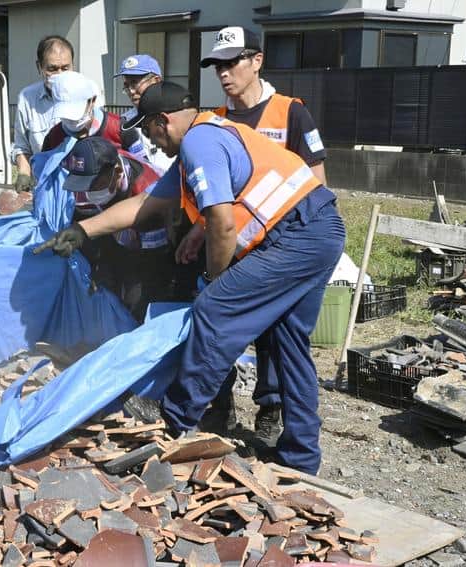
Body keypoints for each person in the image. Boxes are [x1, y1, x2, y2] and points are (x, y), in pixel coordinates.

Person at [36, 82, 345, 475]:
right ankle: (301, 458)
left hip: (297, 235)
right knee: (287, 342)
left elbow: (222, 224)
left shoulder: (200, 143)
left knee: (215, 308)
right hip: (319, 228)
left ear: (164, 121)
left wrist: (216, 281)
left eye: (150, 132)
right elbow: (146, 205)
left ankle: (174, 419)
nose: (153, 142)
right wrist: (84, 231)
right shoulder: (208, 137)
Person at [179, 26, 331, 446]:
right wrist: (199, 231)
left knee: (279, 332)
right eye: (217, 66)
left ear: (257, 61)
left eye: (232, 63)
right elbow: (217, 195)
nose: (224, 73)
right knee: (222, 321)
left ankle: (270, 407)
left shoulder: (290, 113)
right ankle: (220, 404)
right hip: (240, 241)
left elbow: (316, 181)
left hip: (284, 240)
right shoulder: (218, 120)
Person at [60, 136, 170, 321]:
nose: (87, 193)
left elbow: (153, 263)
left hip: (154, 252)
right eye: (84, 186)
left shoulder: (151, 197)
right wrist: (100, 264)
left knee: (138, 302)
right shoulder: (92, 177)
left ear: (117, 172)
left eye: (96, 185)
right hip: (116, 241)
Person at [11, 35, 76, 194]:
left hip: (78, 187)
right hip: (42, 187)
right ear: (39, 66)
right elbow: (21, 146)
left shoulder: (87, 95)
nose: (60, 74)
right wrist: (24, 173)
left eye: (65, 68)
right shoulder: (27, 98)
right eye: (52, 69)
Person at [40, 71, 143, 159]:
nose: (71, 120)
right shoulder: (53, 137)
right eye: (65, 114)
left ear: (92, 101)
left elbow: (145, 170)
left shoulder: (121, 129)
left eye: (76, 112)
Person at [114, 54, 174, 175]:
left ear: (156, 81)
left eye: (135, 83)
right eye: (126, 85)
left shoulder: (177, 116)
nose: (131, 91)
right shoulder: (124, 123)